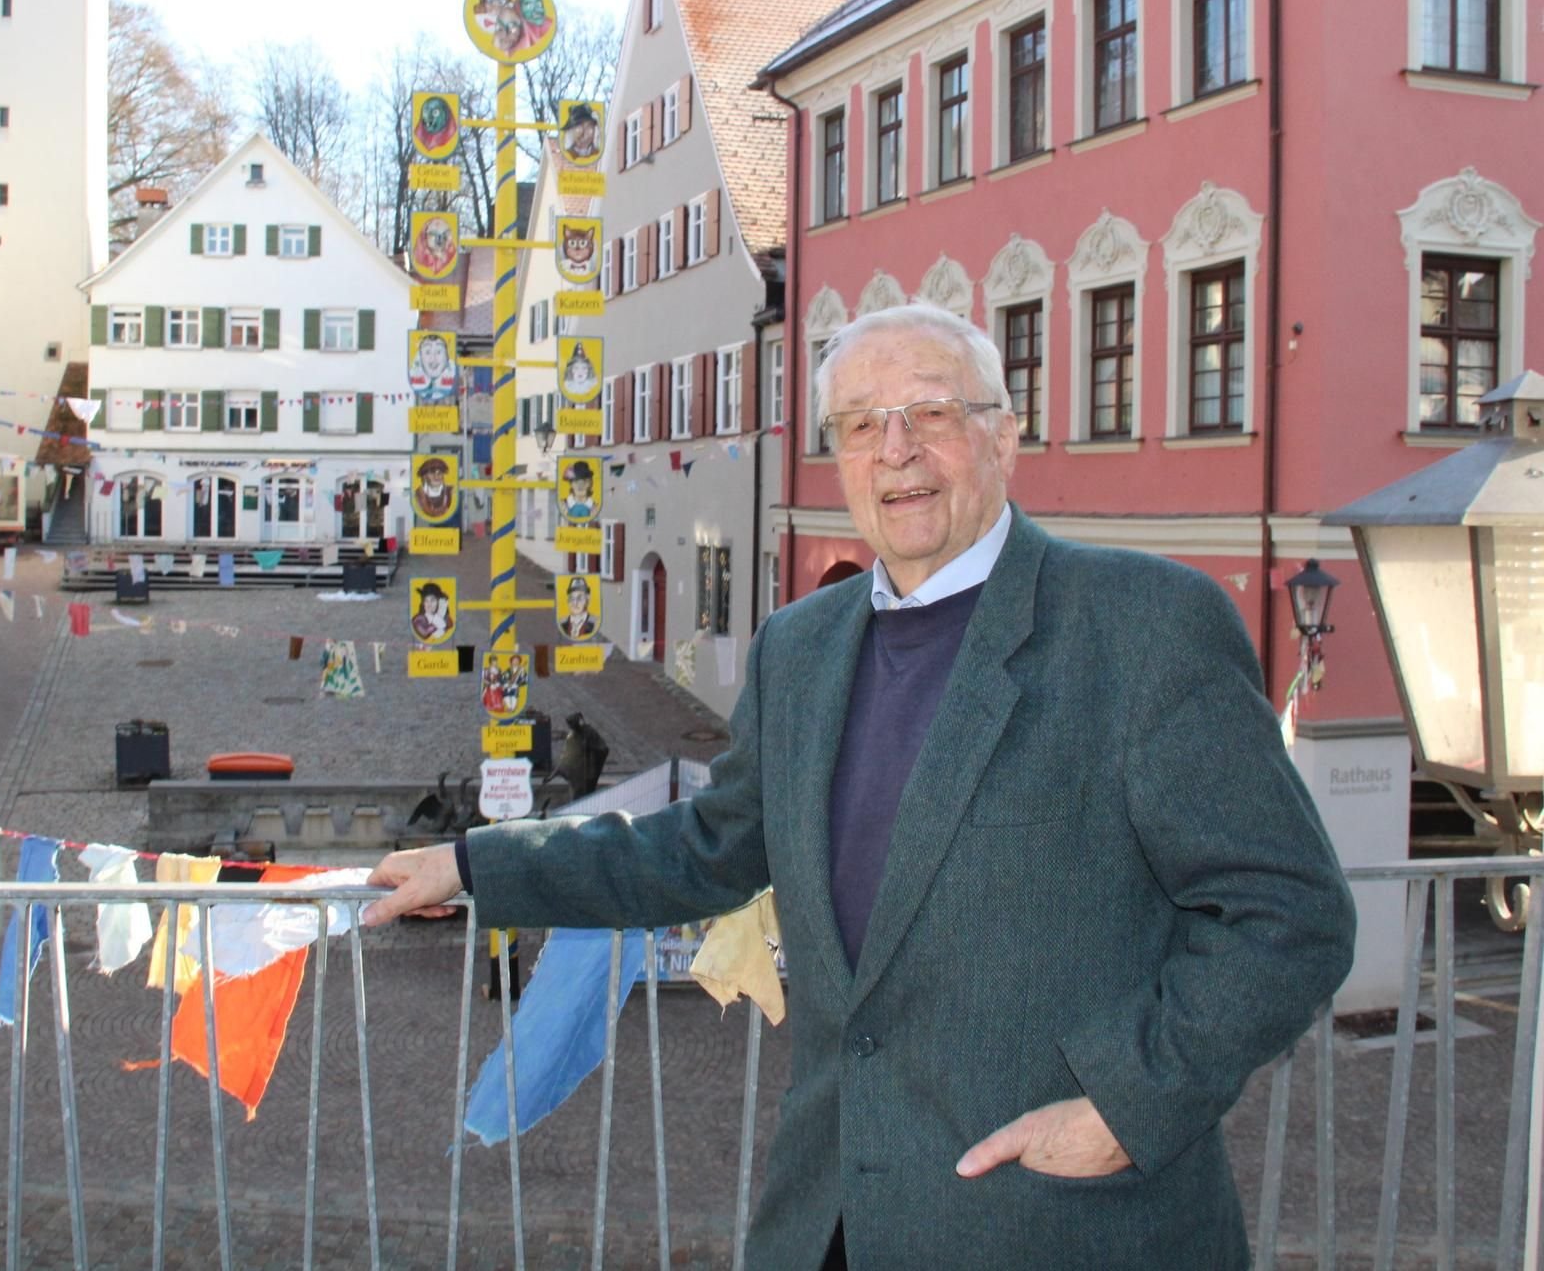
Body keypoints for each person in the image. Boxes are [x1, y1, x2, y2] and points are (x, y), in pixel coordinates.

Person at [366, 302, 1356, 1270]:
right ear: (835, 458)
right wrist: (472, 863)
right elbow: (712, 844)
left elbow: (1285, 912)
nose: (895, 449)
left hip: (1052, 1220)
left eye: (929, 412)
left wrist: (1125, 1108)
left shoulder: (1138, 626)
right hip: (833, 1215)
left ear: (1001, 438)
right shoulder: (800, 647)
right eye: (858, 425)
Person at [409, 333, 459, 405]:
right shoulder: (420, 387)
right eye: (427, 352)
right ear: (420, 357)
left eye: (439, 352)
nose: (433, 359)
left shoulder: (450, 384)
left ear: (447, 357)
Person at [412, 457, 454, 523]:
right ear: (424, 476)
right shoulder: (419, 493)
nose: (436, 477)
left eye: (439, 473)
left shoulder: (450, 491)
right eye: (432, 473)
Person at [559, 575, 598, 642]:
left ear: (587, 600)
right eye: (572, 598)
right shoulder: (563, 622)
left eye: (579, 598)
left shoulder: (593, 621)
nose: (575, 603)